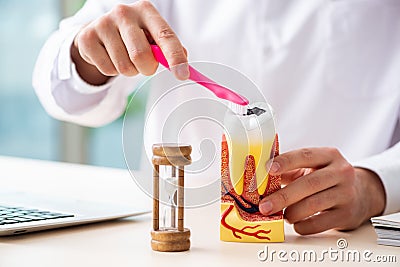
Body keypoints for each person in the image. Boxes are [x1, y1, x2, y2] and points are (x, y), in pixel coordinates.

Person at [33, 0, 400, 235]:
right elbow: (59, 88)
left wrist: (374, 184)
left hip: (338, 244)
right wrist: (88, 54)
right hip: (175, 241)